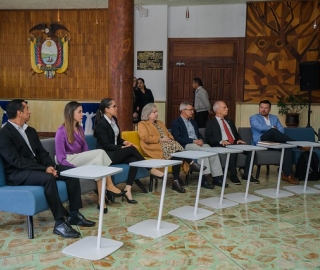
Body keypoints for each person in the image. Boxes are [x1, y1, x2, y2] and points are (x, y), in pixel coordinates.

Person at [0, 99, 95, 238]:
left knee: (71, 173)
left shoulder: (30, 131)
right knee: (48, 178)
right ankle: (59, 223)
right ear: (19, 113)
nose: (30, 111)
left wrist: (51, 165)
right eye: (27, 109)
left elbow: (42, 153)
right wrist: (43, 169)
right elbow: (16, 161)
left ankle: (74, 214)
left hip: (37, 168)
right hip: (18, 173)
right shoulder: (4, 134)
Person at [55, 101, 126, 214]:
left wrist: (89, 162)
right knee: (100, 153)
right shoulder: (61, 131)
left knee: (98, 160)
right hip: (67, 161)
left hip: (80, 158)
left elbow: (86, 151)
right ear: (71, 113)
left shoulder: (80, 129)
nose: (82, 114)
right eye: (80, 112)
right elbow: (60, 158)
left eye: (82, 111)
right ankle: (110, 185)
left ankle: (101, 200)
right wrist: (75, 168)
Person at [94, 98, 164, 204]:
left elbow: (117, 139)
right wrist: (122, 148)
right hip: (106, 155)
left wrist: (125, 142)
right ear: (106, 109)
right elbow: (106, 145)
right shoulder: (101, 123)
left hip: (114, 152)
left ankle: (128, 189)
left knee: (133, 160)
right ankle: (150, 169)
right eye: (114, 106)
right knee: (131, 150)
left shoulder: (114, 120)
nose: (116, 108)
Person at [138, 103, 204, 193]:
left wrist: (169, 138)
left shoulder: (160, 123)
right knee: (175, 146)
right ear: (147, 113)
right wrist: (160, 139)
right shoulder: (142, 124)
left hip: (168, 146)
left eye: (156, 111)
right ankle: (191, 163)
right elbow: (145, 137)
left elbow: (169, 134)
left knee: (175, 155)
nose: (157, 114)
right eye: (154, 112)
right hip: (153, 147)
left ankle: (175, 181)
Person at [171, 101, 226, 189]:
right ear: (183, 110)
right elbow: (178, 138)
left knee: (212, 151)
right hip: (186, 145)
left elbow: (199, 134)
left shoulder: (193, 122)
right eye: (190, 110)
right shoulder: (176, 122)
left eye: (192, 110)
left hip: (197, 143)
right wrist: (193, 141)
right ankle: (203, 180)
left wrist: (200, 139)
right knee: (203, 152)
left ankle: (216, 177)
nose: (192, 112)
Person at [206, 101, 259, 185]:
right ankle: (233, 175)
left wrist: (239, 139)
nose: (227, 109)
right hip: (222, 144)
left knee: (252, 151)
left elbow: (236, 134)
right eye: (224, 107)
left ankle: (247, 175)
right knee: (233, 151)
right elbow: (208, 138)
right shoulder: (210, 123)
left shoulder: (229, 121)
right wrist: (220, 141)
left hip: (234, 143)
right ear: (217, 110)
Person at [250, 99, 298, 184]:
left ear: (269, 109)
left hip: (274, 142)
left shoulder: (274, 118)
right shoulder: (254, 117)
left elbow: (281, 129)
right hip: (261, 141)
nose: (263, 109)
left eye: (266, 108)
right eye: (261, 107)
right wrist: (272, 128)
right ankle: (297, 144)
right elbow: (259, 127)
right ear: (259, 108)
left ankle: (287, 175)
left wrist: (274, 131)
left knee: (287, 147)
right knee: (272, 131)